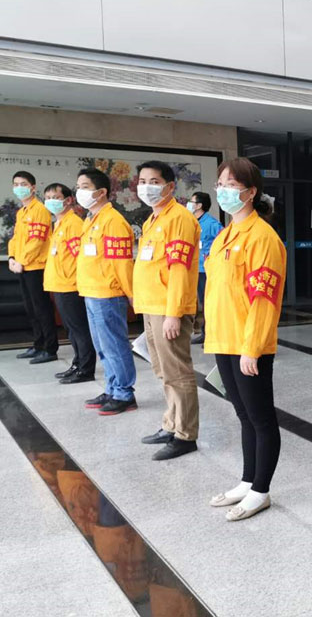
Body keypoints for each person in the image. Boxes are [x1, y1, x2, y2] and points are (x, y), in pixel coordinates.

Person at [204, 157, 286, 522]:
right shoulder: (225, 235)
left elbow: (263, 300)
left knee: (260, 418)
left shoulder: (262, 238)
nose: (223, 191)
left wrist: (252, 349)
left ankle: (261, 490)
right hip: (223, 339)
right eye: (220, 184)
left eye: (231, 185)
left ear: (251, 192)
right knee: (243, 414)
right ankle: (247, 480)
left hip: (247, 344)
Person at [132, 161, 202, 461]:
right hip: (151, 306)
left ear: (170, 186)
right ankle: (171, 424)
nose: (146, 186)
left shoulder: (179, 219)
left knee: (177, 372)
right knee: (163, 371)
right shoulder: (153, 219)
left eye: (154, 181)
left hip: (167, 308)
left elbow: (179, 270)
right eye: (142, 181)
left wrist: (174, 313)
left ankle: (185, 435)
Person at [75, 168, 138, 415]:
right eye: (78, 187)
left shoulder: (113, 222)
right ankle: (112, 388)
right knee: (102, 347)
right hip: (91, 291)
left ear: (101, 192)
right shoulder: (91, 219)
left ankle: (124, 393)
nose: (79, 192)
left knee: (114, 345)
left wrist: (131, 294)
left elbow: (122, 263)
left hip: (108, 293)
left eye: (85, 187)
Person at [42, 183, 95, 384]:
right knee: (71, 330)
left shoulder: (73, 224)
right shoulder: (59, 223)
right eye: (48, 197)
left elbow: (78, 257)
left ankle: (85, 368)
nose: (51, 201)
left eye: (55, 197)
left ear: (69, 200)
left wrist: (73, 281)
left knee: (79, 329)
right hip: (59, 284)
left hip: (70, 285)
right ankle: (77, 363)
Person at [8, 171, 58, 364]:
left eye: (23, 184)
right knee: (31, 308)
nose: (19, 188)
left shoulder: (40, 210)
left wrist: (22, 261)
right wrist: (12, 257)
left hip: (36, 267)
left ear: (33, 188)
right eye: (16, 184)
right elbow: (15, 239)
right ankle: (38, 345)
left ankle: (50, 348)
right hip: (22, 266)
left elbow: (37, 241)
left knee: (42, 308)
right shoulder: (22, 212)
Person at [187, 191, 223, 345]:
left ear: (199, 205)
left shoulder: (212, 224)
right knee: (201, 303)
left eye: (192, 201)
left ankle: (213, 335)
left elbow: (224, 242)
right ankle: (205, 333)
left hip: (206, 270)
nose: (189, 204)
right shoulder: (192, 222)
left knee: (209, 302)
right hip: (195, 268)